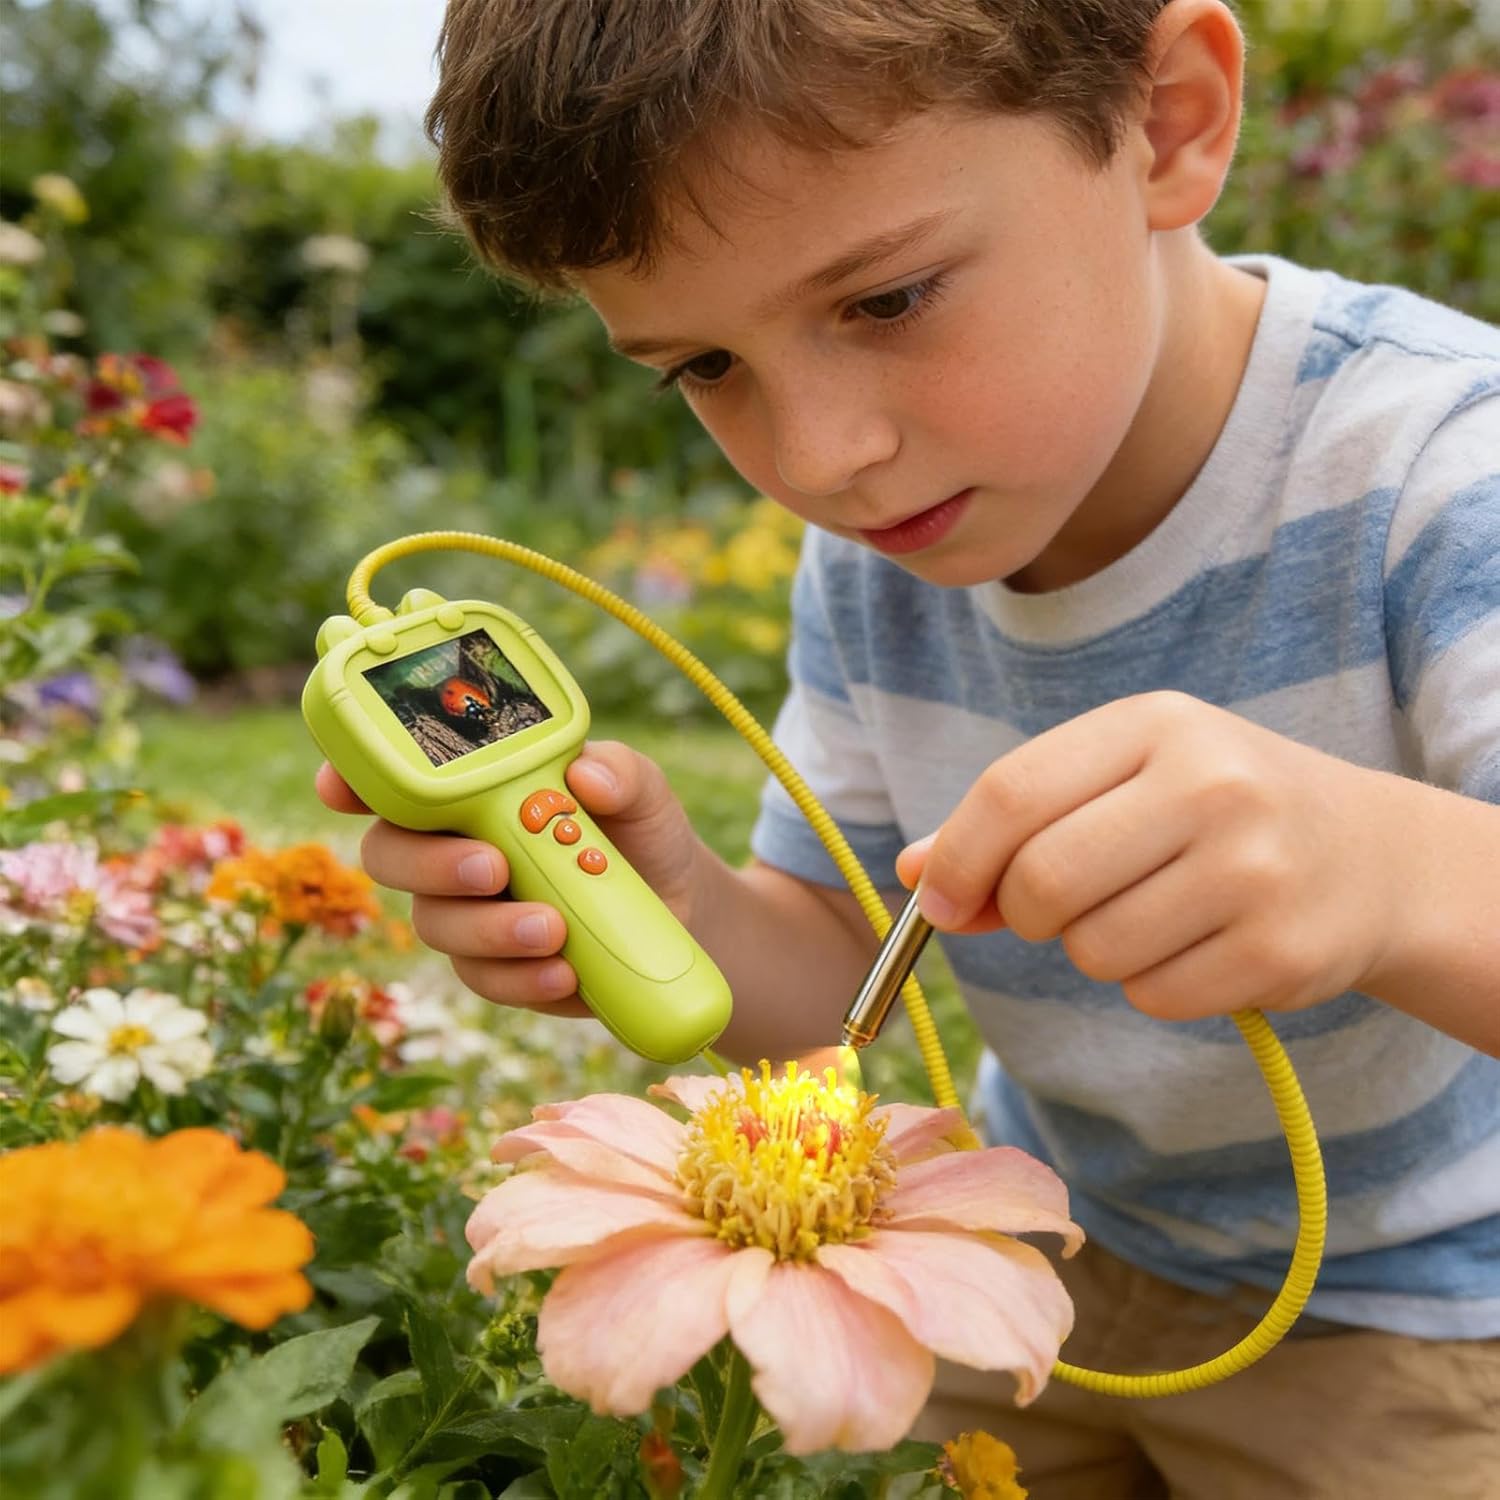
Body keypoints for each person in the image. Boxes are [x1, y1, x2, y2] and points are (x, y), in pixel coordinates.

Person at [316, 1, 1500, 1493]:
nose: (818, 459)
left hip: (1408, 1320)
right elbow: (842, 980)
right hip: (1037, 1252)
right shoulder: (890, 552)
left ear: (1173, 121)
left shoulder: (1444, 473)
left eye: (885, 301)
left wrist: (1395, 875)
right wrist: (681, 913)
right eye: (701, 368)